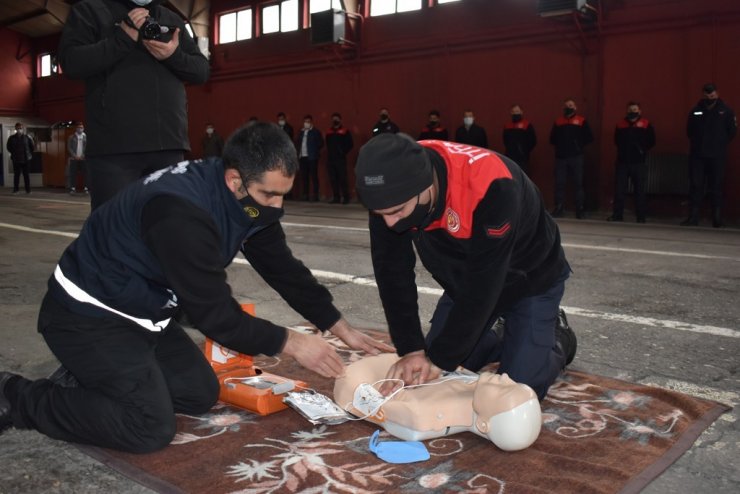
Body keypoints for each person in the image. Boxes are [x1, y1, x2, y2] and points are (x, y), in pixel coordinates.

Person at [0, 123, 392, 453]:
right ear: (235, 179)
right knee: (148, 427)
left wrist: (337, 324)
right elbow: (217, 317)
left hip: (143, 311)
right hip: (89, 315)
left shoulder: (244, 197)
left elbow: (282, 267)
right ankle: (16, 396)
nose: (275, 205)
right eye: (268, 194)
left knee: (198, 394)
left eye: (282, 195)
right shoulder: (179, 214)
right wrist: (292, 342)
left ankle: (89, 375)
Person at [354, 133, 576, 402]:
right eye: (381, 214)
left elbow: (484, 285)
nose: (389, 223)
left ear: (425, 186)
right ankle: (498, 334)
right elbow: (392, 272)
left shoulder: (492, 186)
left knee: (515, 394)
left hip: (529, 278)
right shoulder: (388, 193)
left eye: (398, 211)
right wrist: (411, 348)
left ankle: (557, 338)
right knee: (435, 377)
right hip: (465, 279)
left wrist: (440, 358)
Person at [58, 0, 210, 210]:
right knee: (114, 229)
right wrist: (121, 39)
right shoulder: (90, 11)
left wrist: (173, 55)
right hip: (114, 150)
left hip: (168, 145)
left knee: (167, 228)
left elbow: (201, 71)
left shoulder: (171, 19)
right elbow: (71, 62)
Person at [334, 353, 541, 451]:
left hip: (367, 376)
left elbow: (350, 390)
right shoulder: (475, 388)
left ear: (483, 424)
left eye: (503, 391)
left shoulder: (421, 416)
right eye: (513, 384)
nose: (504, 377)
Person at [683, 83, 737, 228]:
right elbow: (689, 131)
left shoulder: (726, 111)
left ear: (717, 93)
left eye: (712, 93)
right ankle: (693, 217)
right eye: (707, 93)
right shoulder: (696, 111)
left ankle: (717, 218)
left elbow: (732, 132)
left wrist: (719, 144)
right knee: (695, 185)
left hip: (717, 156)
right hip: (698, 155)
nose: (710, 96)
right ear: (703, 94)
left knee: (716, 186)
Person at [608, 102, 656, 223]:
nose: (632, 111)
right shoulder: (620, 124)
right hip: (622, 162)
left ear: (639, 111)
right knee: (619, 190)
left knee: (639, 190)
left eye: (635, 109)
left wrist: (641, 150)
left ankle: (641, 217)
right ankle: (617, 215)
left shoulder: (646, 124)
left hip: (639, 162)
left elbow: (651, 140)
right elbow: (616, 140)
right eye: (630, 109)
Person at [549, 99, 594, 219]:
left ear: (575, 108)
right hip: (561, 157)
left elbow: (589, 137)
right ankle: (559, 207)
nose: (569, 107)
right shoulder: (558, 122)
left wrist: (578, 145)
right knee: (559, 183)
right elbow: (552, 139)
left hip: (576, 157)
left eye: (571, 105)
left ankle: (580, 209)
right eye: (567, 105)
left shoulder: (581, 121)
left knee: (578, 184)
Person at [325, 112, 354, 204]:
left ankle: (346, 197)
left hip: (340, 159)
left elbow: (350, 144)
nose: (335, 120)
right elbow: (327, 143)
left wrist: (343, 152)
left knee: (342, 178)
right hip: (331, 159)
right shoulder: (329, 132)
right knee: (333, 179)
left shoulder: (345, 131)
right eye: (333, 119)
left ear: (340, 120)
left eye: (337, 119)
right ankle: (336, 197)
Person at [295, 115, 324, 201]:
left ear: (311, 122)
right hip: (302, 157)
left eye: (308, 122)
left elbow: (321, 143)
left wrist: (314, 150)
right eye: (305, 121)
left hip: (312, 157)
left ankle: (315, 195)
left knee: (313, 177)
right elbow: (297, 143)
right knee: (304, 177)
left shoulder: (315, 132)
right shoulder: (301, 132)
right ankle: (305, 195)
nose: (306, 123)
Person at [503, 105, 537, 174]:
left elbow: (533, 140)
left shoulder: (527, 125)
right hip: (510, 157)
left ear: (521, 112)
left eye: (517, 111)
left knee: (523, 176)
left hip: (523, 157)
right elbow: (505, 140)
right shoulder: (507, 126)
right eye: (514, 111)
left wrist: (524, 151)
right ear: (511, 113)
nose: (516, 113)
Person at [6, 122, 34, 194]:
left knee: (26, 175)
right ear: (15, 129)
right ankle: (16, 189)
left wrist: (29, 154)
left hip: (26, 159)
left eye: (20, 128)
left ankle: (28, 190)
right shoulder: (11, 138)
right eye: (18, 128)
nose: (19, 130)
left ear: (23, 129)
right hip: (16, 159)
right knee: (16, 175)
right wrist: (14, 153)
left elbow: (32, 147)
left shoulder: (27, 137)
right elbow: (8, 147)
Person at [66, 122, 88, 194]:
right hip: (74, 158)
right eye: (79, 127)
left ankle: (86, 188)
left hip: (83, 159)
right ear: (76, 128)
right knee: (73, 173)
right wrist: (75, 156)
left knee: (85, 173)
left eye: (81, 128)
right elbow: (69, 147)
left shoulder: (86, 137)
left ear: (83, 128)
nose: (80, 129)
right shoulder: (71, 137)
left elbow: (88, 147)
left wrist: (83, 155)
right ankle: (73, 188)